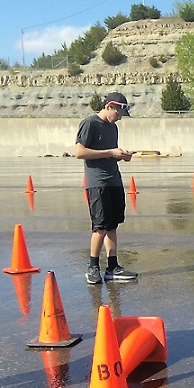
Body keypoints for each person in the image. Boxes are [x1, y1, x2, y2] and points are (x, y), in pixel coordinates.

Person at [74, 91, 136, 284]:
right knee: (100, 226)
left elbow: (108, 154)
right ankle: (93, 266)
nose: (118, 119)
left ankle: (112, 266)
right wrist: (111, 151)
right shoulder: (90, 124)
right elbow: (79, 152)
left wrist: (121, 155)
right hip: (97, 182)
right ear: (109, 106)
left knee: (112, 225)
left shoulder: (113, 128)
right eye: (117, 114)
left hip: (113, 180)